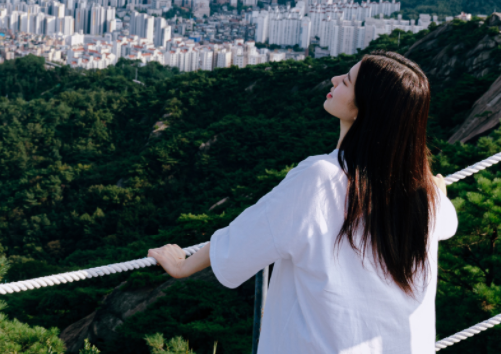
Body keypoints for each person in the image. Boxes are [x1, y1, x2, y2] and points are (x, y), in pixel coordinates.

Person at [147, 51, 458, 353]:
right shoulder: (421, 192)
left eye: (347, 81)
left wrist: (183, 265)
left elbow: (246, 236)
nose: (335, 78)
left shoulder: (321, 178)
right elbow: (447, 222)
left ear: (363, 109)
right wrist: (437, 190)